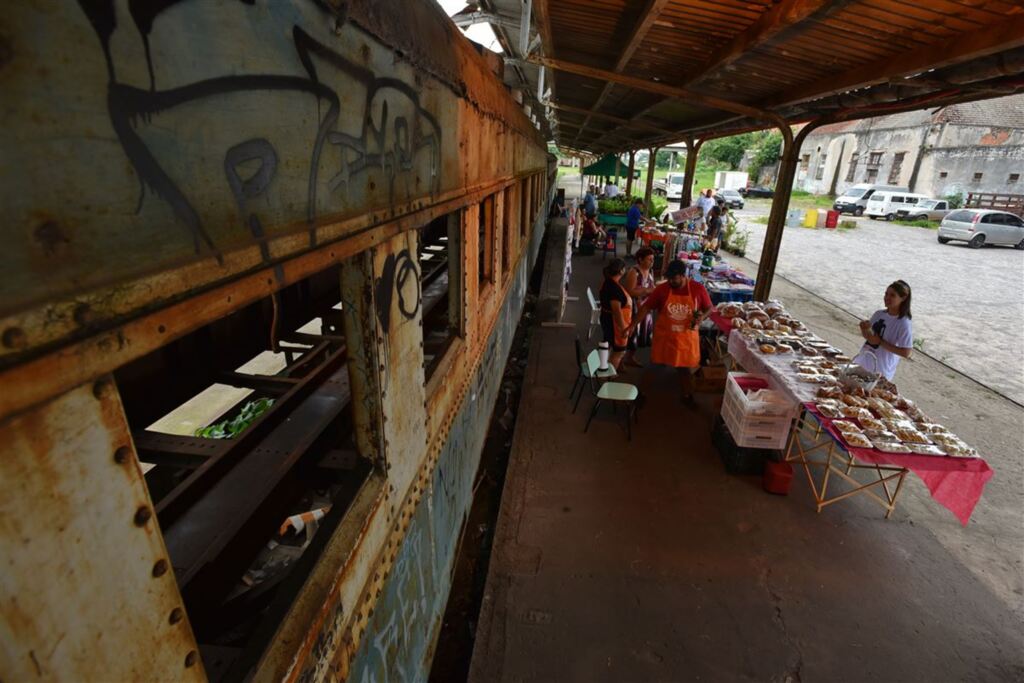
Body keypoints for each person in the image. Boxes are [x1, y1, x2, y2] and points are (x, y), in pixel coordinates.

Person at [631, 259, 712, 405]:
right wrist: (631, 326)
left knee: (684, 369)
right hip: (665, 338)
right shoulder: (662, 290)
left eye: (674, 278)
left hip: (685, 339)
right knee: (655, 366)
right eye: (669, 278)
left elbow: (709, 308)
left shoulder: (697, 289)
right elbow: (646, 308)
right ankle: (640, 394)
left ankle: (687, 396)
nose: (670, 281)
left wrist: (702, 317)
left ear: (683, 276)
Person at [853, 280, 913, 380]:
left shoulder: (903, 323)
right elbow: (869, 338)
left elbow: (906, 352)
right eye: (886, 294)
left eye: (892, 295)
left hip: (880, 372)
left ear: (903, 298)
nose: (887, 298)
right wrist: (864, 329)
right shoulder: (879, 314)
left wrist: (880, 342)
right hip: (861, 363)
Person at [621, 247, 657, 368]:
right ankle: (619, 360)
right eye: (649, 259)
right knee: (630, 333)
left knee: (639, 335)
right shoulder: (634, 272)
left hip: (645, 309)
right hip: (634, 309)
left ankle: (630, 357)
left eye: (653, 259)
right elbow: (629, 291)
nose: (652, 262)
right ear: (640, 259)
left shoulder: (650, 271)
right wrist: (647, 291)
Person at [599, 258, 633, 371]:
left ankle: (607, 369)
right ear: (621, 271)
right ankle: (610, 375)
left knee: (609, 345)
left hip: (608, 318)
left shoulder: (609, 282)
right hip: (614, 323)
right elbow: (617, 311)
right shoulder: (614, 289)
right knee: (619, 351)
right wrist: (623, 328)